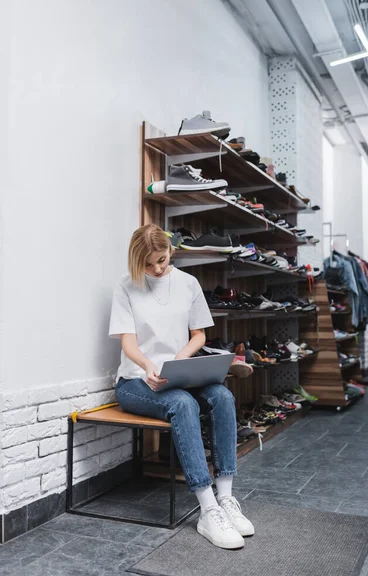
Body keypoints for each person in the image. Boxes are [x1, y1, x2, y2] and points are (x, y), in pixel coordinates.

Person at [109, 224, 254, 549]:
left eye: (161, 260)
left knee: (223, 396)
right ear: (136, 261)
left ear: (170, 251)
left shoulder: (188, 284)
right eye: (148, 264)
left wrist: (179, 360)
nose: (157, 268)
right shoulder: (126, 286)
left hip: (176, 374)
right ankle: (207, 509)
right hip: (135, 381)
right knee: (183, 404)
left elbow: (199, 335)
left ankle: (226, 498)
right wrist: (149, 366)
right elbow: (129, 344)